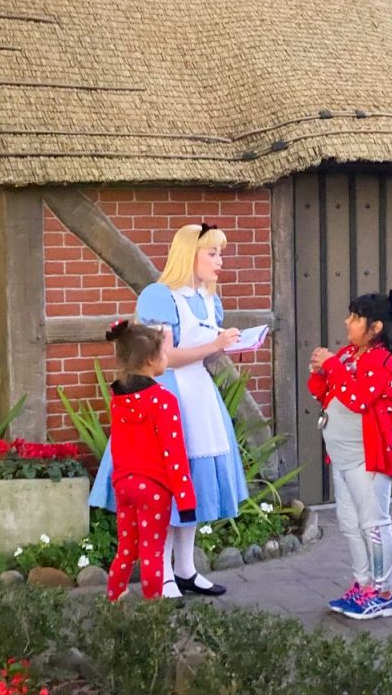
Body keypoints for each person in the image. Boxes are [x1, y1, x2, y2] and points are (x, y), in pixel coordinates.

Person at [88, 223, 247, 598]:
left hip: (200, 397)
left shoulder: (209, 298)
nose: (219, 261)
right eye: (212, 253)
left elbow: (204, 348)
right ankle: (160, 573)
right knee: (164, 481)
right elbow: (164, 358)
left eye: (219, 253)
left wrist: (228, 344)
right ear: (188, 253)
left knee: (190, 479)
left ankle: (186, 568)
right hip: (167, 398)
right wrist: (215, 345)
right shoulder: (159, 297)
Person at [307, 290, 392, 621]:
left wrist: (331, 366)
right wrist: (320, 369)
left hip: (367, 459)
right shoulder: (350, 354)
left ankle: (383, 593)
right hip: (342, 456)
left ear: (377, 327)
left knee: (373, 523)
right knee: (350, 524)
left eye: (355, 318)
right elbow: (322, 391)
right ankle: (363, 583)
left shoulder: (386, 363)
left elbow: (357, 398)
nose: (348, 322)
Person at [104, 320, 197, 602]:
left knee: (126, 550)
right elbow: (174, 453)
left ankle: (114, 600)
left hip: (124, 484)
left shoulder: (118, 400)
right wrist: (186, 500)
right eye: (164, 352)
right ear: (150, 360)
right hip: (153, 488)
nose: (167, 357)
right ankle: (152, 613)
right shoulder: (163, 400)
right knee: (152, 553)